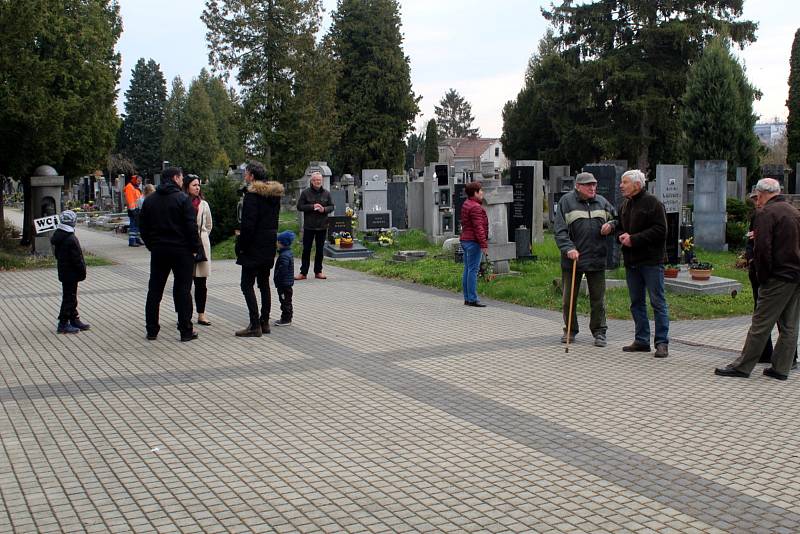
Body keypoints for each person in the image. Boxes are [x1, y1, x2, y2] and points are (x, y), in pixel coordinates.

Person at [715, 178, 800, 380]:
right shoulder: (794, 212)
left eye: (757, 197)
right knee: (790, 324)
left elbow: (762, 249)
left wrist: (763, 276)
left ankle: (743, 366)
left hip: (778, 276)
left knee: (761, 322)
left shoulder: (766, 214)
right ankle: (781, 368)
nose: (757, 201)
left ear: (761, 194)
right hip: (796, 275)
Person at [139, 167, 203, 342]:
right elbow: (191, 227)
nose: (182, 181)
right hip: (182, 251)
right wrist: (195, 247)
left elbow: (142, 226)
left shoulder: (150, 200)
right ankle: (185, 330)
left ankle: (151, 330)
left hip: (159, 250)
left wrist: (151, 245)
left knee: (155, 290)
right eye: (181, 178)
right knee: (183, 290)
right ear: (175, 178)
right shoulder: (182, 199)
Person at [554, 172, 618, 347]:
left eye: (594, 185)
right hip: (573, 259)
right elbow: (560, 230)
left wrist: (611, 226)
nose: (592, 188)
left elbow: (618, 219)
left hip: (596, 258)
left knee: (598, 298)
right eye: (588, 185)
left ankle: (599, 331)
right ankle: (570, 330)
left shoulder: (602, 202)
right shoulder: (566, 202)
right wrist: (569, 249)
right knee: (569, 299)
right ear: (578, 186)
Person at [617, 169, 670, 358]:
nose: (621, 185)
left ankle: (662, 343)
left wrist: (634, 239)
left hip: (651, 261)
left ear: (637, 185)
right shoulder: (625, 205)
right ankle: (641, 340)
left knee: (657, 302)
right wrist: (619, 234)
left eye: (625, 182)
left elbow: (661, 230)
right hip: (632, 261)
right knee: (636, 302)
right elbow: (621, 227)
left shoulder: (653, 203)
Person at [235, 161, 284, 337]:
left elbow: (248, 225)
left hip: (254, 245)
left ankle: (254, 324)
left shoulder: (252, 196)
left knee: (246, 284)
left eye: (246, 173)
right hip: (268, 243)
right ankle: (264, 322)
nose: (245, 176)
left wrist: (241, 245)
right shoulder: (274, 196)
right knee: (264, 284)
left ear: (252, 176)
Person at [51, 210, 89, 334]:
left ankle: (74, 318)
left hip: (64, 271)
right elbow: (77, 258)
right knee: (69, 298)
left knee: (71, 296)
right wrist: (82, 270)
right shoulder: (71, 239)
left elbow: (57, 254)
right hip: (71, 272)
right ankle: (63, 323)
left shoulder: (60, 235)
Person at [183, 175, 213, 326]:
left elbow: (208, 225)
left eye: (199, 185)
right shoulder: (182, 202)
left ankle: (201, 314)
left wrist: (202, 237)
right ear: (187, 186)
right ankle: (184, 314)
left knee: (201, 282)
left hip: (201, 243)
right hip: (185, 245)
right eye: (194, 185)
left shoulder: (204, 204)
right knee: (185, 283)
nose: (197, 188)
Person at [295, 171, 334, 280]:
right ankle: (303, 273)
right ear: (312, 181)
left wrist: (324, 209)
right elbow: (299, 206)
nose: (318, 182)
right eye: (316, 180)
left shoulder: (327, 193)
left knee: (320, 250)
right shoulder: (305, 193)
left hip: (322, 226)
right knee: (306, 250)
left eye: (320, 180)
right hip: (309, 226)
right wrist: (312, 207)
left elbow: (331, 207)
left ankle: (318, 271)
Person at [459, 181, 489, 307]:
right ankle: (472, 298)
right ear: (475, 193)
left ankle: (467, 297)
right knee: (473, 270)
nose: (482, 193)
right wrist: (484, 245)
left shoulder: (467, 204)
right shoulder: (476, 207)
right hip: (473, 242)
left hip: (465, 240)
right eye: (480, 190)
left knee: (467, 269)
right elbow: (478, 228)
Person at [273, 230, 295, 327]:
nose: (277, 243)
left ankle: (286, 319)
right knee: (287, 300)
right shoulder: (288, 253)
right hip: (287, 283)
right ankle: (287, 317)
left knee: (285, 301)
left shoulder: (284, 256)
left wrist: (277, 279)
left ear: (282, 243)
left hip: (284, 284)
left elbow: (283, 270)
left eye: (278, 241)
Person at [124, 175, 144, 247]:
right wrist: (133, 210)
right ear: (134, 180)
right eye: (138, 181)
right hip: (133, 210)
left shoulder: (135, 187)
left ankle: (137, 239)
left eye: (140, 181)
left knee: (137, 225)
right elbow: (130, 200)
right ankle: (132, 241)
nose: (139, 182)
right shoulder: (130, 187)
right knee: (133, 225)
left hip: (137, 209)